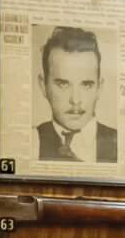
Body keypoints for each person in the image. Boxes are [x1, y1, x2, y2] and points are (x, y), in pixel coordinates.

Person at [34, 26, 118, 164]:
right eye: (63, 84)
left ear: (99, 87)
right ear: (43, 86)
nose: (76, 100)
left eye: (86, 85)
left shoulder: (120, 143)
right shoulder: (32, 141)